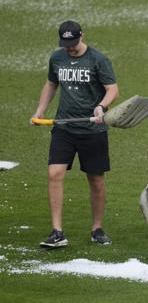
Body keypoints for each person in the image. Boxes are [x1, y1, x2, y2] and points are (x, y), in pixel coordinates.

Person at [32, 20, 120, 248]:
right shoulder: (57, 58)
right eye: (66, 44)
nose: (69, 48)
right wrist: (39, 112)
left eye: (72, 43)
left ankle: (97, 229)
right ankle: (57, 231)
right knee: (54, 173)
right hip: (64, 128)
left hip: (93, 130)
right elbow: (51, 84)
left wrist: (101, 107)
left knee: (96, 180)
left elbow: (113, 89)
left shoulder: (98, 59)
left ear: (82, 36)